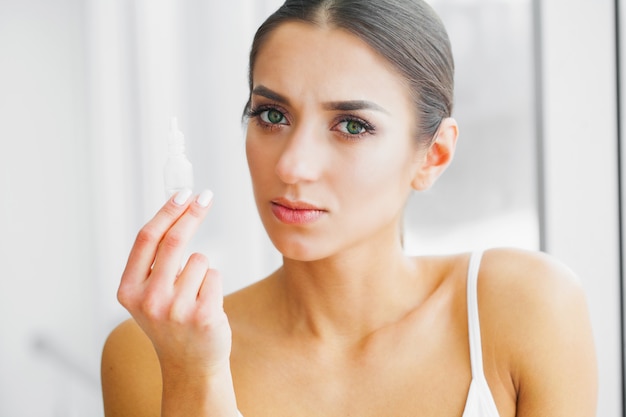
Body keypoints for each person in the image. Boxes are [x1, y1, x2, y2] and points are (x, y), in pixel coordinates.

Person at [101, 0, 598, 416]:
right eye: (272, 115)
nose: (293, 165)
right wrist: (195, 376)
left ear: (434, 155)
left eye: (352, 126)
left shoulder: (524, 310)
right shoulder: (150, 352)